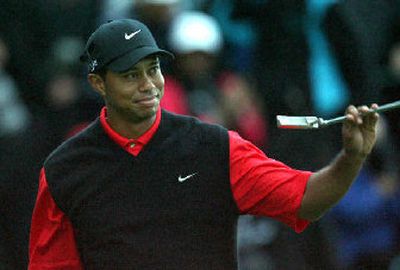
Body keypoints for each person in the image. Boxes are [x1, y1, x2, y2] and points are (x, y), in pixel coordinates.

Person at [28, 18, 379, 269]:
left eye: (153, 69)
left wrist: (351, 157)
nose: (149, 85)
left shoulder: (214, 147)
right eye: (130, 75)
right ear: (98, 84)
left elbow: (305, 201)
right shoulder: (65, 170)